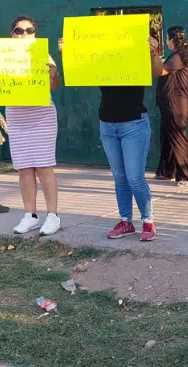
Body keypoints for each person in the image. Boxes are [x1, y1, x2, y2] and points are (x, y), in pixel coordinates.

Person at [58, 28, 162, 241]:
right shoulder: (101, 59)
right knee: (120, 178)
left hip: (134, 123)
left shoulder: (138, 54)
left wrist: (152, 52)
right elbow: (80, 67)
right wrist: (68, 51)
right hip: (107, 124)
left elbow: (157, 72)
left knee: (134, 177)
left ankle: (148, 221)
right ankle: (126, 221)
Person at [6, 17, 62, 236]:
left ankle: (53, 215)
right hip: (16, 115)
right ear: (12, 34)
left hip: (41, 115)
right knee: (23, 167)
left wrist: (53, 74)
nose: (24, 33)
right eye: (19, 30)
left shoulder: (42, 54)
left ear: (34, 33)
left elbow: (54, 85)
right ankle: (30, 215)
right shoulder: (2, 56)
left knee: (44, 166)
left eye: (29, 30)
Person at [155, 26, 188, 186]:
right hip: (170, 104)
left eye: (166, 38)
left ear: (172, 40)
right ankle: (166, 171)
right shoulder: (178, 55)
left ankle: (187, 176)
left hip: (176, 104)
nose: (166, 42)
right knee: (166, 137)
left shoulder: (178, 57)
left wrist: (152, 53)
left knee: (178, 139)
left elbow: (160, 71)